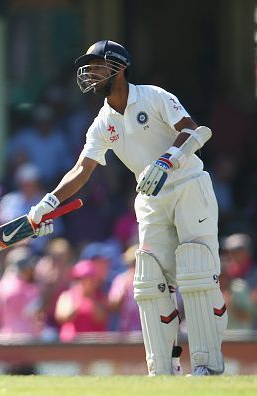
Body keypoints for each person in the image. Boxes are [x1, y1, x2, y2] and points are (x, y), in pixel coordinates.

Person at [27, 40, 227, 376]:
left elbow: (192, 130)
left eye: (96, 65)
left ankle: (209, 366)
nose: (89, 72)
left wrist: (166, 161)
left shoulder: (153, 95)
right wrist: (48, 202)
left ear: (118, 68)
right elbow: (81, 170)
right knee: (149, 280)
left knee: (196, 271)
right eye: (87, 66)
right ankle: (162, 370)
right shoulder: (103, 122)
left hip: (188, 184)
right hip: (149, 197)